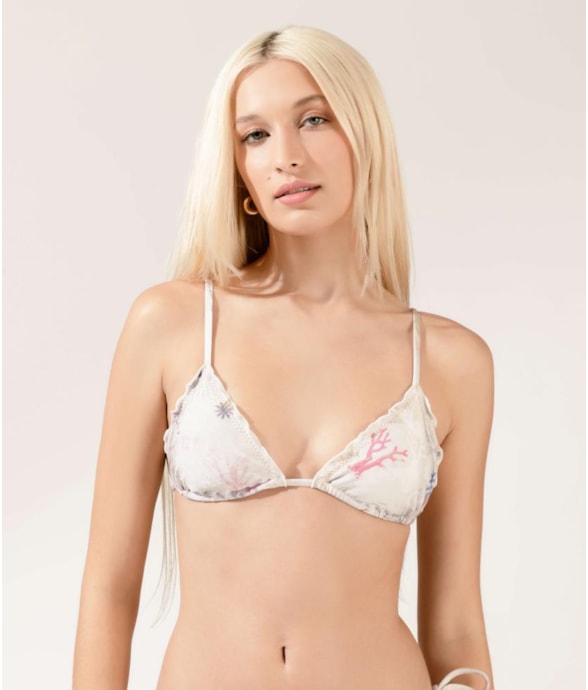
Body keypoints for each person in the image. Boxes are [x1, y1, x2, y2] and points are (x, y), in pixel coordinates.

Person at [72, 25, 495, 690]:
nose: (286, 157)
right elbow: (108, 588)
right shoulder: (172, 325)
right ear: (238, 169)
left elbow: (456, 625)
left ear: (366, 135)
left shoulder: (450, 361)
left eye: (314, 120)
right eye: (255, 135)